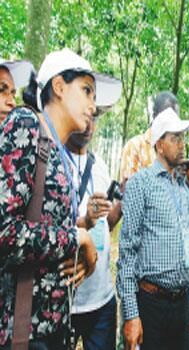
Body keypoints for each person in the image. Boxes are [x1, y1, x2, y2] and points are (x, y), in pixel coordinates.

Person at [0, 48, 121, 348]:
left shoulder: (57, 151)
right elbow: (5, 230)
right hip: (23, 330)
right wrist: (76, 238)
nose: (93, 106)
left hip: (53, 327)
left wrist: (83, 242)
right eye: (87, 91)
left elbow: (43, 225)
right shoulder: (25, 125)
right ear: (58, 86)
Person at [117, 107, 189, 350]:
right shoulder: (140, 184)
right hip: (151, 305)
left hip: (181, 304)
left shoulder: (184, 191)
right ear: (159, 145)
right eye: (175, 138)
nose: (182, 144)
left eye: (183, 137)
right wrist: (132, 315)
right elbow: (127, 253)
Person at [66, 107, 123, 350]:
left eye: (95, 118)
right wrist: (84, 220)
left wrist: (120, 205)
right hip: (66, 300)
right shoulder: (54, 163)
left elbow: (106, 223)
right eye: (85, 116)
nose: (90, 124)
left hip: (101, 299)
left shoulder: (98, 164)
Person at [119, 91, 180, 180]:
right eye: (168, 117)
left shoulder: (175, 148)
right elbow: (128, 189)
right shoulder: (134, 146)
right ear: (155, 116)